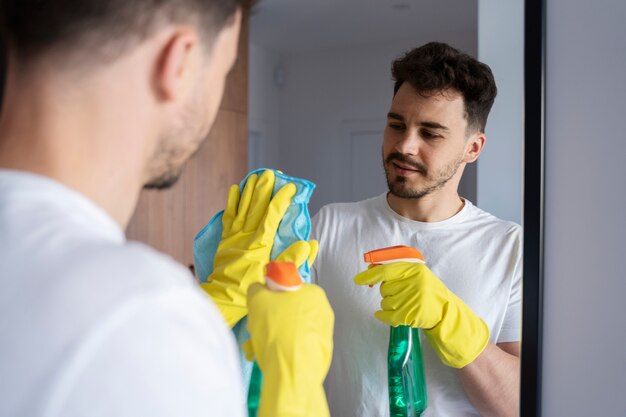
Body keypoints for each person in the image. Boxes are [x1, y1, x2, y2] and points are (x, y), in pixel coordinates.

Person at [0, 1, 332, 416]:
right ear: (181, 62)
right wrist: (294, 385)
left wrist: (216, 304)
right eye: (224, 70)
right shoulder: (146, 316)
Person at [311, 42, 521, 417]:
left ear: (473, 148)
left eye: (431, 133)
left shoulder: (509, 248)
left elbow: (519, 404)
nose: (405, 145)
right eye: (396, 125)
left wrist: (450, 322)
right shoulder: (330, 225)